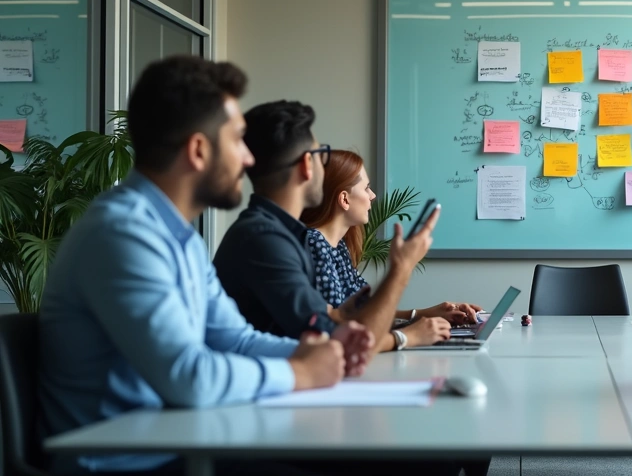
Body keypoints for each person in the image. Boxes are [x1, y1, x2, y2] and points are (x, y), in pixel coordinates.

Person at [39, 57, 374, 475]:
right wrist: (299, 372)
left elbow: (233, 338)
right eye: (237, 140)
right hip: (127, 464)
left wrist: (325, 350)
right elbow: (189, 376)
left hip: (183, 443)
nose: (249, 159)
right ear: (198, 150)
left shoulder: (178, 236)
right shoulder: (122, 235)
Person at [213, 101, 448, 353]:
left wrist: (344, 315)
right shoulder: (265, 240)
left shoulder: (281, 235)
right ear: (307, 164)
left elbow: (329, 320)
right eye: (320, 154)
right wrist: (402, 269)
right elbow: (337, 342)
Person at [298, 149, 482, 325]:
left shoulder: (337, 246)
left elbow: (367, 311)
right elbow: (340, 326)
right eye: (367, 188)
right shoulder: (315, 244)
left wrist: (425, 314)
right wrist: (410, 335)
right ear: (344, 199)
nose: (373, 196)